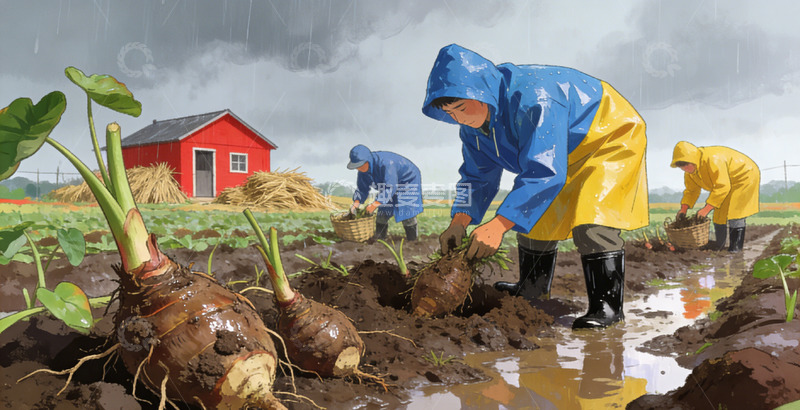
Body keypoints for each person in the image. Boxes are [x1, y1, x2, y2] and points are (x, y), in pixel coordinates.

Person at [421, 44, 649, 329]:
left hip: (607, 136)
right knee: (538, 219)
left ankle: (607, 309)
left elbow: (544, 171)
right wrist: (460, 221)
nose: (459, 118)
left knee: (594, 222)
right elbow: (476, 177)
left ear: (483, 93)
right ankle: (532, 289)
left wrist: (498, 226)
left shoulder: (535, 100)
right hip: (565, 150)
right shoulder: (472, 130)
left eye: (462, 108)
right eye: (450, 113)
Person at [671, 141, 760, 253]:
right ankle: (720, 245)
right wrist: (683, 209)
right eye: (681, 166)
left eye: (686, 164)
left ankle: (736, 249)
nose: (685, 168)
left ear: (693, 159)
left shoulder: (713, 160)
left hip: (744, 176)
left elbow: (722, 186)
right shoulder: (690, 172)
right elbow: (691, 190)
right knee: (719, 215)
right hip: (728, 182)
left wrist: (706, 209)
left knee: (736, 213)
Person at [347, 144, 423, 241]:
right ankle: (380, 238)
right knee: (383, 210)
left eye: (360, 165)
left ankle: (412, 241)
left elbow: (390, 187)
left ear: (368, 161)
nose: (359, 169)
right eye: (356, 166)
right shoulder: (363, 170)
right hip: (390, 184)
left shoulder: (387, 164)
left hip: (407, 179)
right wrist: (356, 203)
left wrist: (374, 204)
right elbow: (362, 188)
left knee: (406, 210)